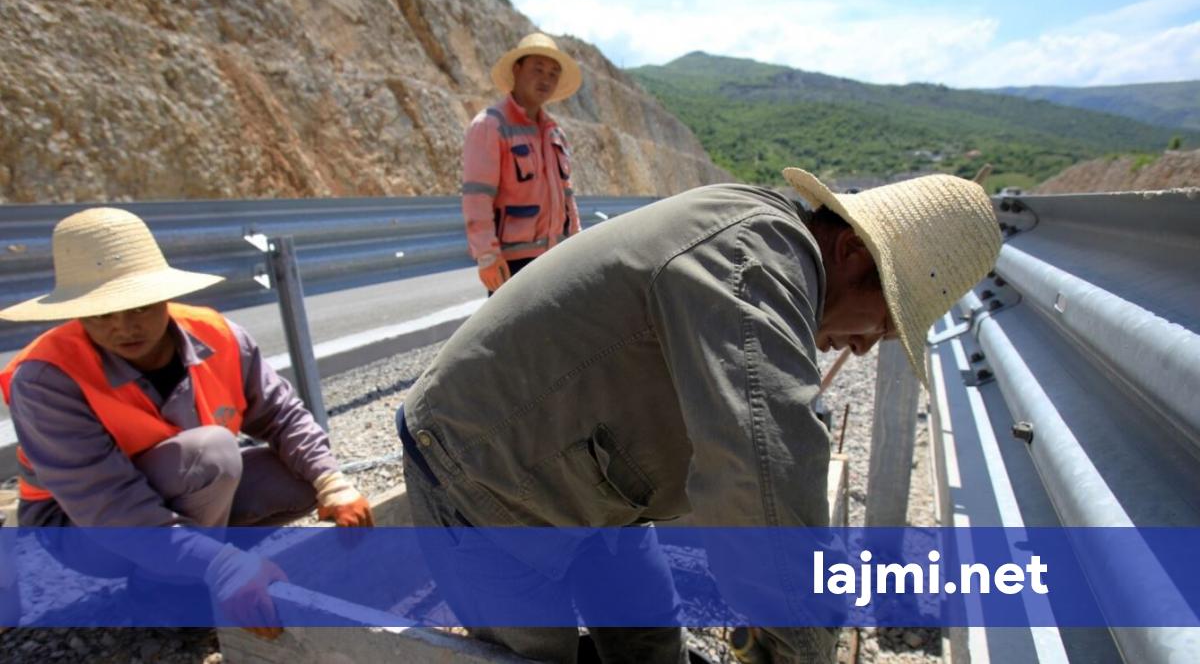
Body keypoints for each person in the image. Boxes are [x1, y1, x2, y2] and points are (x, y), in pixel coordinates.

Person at [398, 168, 1001, 662]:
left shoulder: (767, 244)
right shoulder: (752, 261)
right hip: (476, 476)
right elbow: (763, 470)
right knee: (538, 655)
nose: (866, 346)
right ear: (849, 250)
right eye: (884, 321)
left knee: (650, 642)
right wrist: (805, 648)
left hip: (590, 484)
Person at [0, 207, 374, 635]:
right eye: (101, 314)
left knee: (298, 476)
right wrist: (221, 565)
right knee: (212, 455)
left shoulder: (217, 336)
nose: (123, 326)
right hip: (79, 525)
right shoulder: (47, 378)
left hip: (176, 487)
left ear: (163, 296)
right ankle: (165, 593)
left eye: (137, 306)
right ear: (78, 313)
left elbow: (283, 416)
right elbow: (109, 502)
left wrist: (331, 481)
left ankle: (188, 566)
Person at [461, 32, 583, 293]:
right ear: (517, 69)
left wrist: (577, 245)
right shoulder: (491, 126)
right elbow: (477, 198)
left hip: (556, 256)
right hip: (513, 263)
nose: (546, 79)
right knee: (519, 334)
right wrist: (487, 257)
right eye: (538, 69)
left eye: (553, 73)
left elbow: (567, 196)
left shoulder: (554, 132)